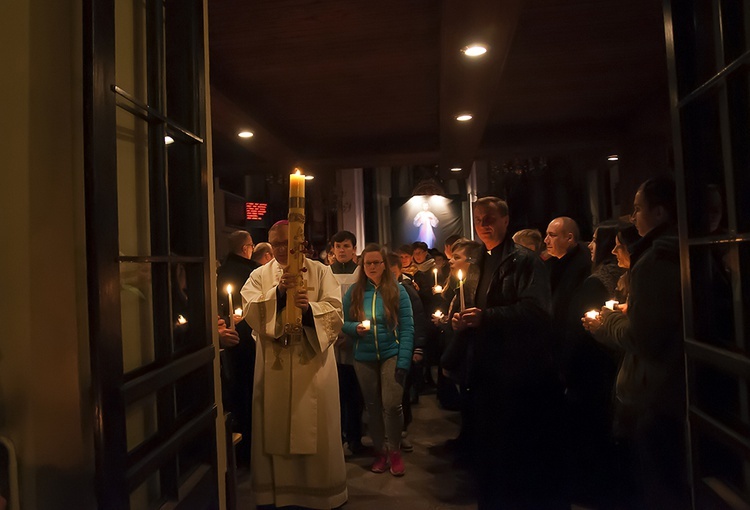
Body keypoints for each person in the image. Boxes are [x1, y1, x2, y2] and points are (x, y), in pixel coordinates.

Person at [582, 176, 688, 509]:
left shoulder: (653, 261)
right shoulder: (678, 251)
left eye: (638, 208)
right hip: (675, 388)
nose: (633, 216)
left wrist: (606, 321)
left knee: (658, 485)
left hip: (656, 394)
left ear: (659, 212)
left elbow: (642, 338)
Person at [454, 197, 567, 509]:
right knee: (488, 456)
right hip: (485, 372)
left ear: (506, 219)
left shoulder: (525, 261)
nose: (484, 225)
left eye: (490, 218)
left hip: (517, 374)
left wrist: (486, 317)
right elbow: (475, 305)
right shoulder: (478, 261)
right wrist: (461, 318)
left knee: (515, 456)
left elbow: (536, 312)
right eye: (478, 220)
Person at [240, 220, 347, 509]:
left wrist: (308, 310)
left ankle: (320, 494)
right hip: (274, 365)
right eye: (275, 244)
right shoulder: (259, 275)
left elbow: (336, 314)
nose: (280, 249)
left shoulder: (321, 272)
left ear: (300, 242)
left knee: (316, 427)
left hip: (312, 365)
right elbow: (250, 311)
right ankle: (276, 494)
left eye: (287, 243)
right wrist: (277, 295)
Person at [341, 244, 414, 476]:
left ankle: (394, 451)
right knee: (372, 408)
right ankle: (380, 451)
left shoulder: (397, 290)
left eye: (376, 262)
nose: (372, 267)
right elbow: (341, 321)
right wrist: (354, 328)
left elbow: (407, 328)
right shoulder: (354, 291)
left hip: (391, 353)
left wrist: (403, 361)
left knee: (392, 405)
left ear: (384, 265)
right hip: (364, 357)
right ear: (362, 266)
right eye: (368, 263)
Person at [216, 230, 261, 467]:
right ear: (246, 249)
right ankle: (250, 447)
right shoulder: (251, 273)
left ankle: (242, 449)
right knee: (248, 395)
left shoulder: (221, 271)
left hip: (228, 343)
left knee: (236, 394)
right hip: (244, 341)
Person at [329, 230, 365, 455]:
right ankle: (337, 437)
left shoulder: (361, 274)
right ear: (332, 250)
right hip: (331, 341)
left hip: (355, 339)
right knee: (335, 394)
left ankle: (355, 438)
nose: (342, 250)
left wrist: (350, 333)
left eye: (346, 246)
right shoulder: (324, 273)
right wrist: (333, 333)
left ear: (354, 249)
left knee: (355, 393)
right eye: (338, 246)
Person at [387, 252, 426, 452]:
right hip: (387, 349)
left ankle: (402, 431)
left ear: (400, 271)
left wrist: (417, 348)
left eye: (393, 273)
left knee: (402, 392)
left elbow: (417, 320)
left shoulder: (408, 291)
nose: (390, 277)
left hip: (405, 347)